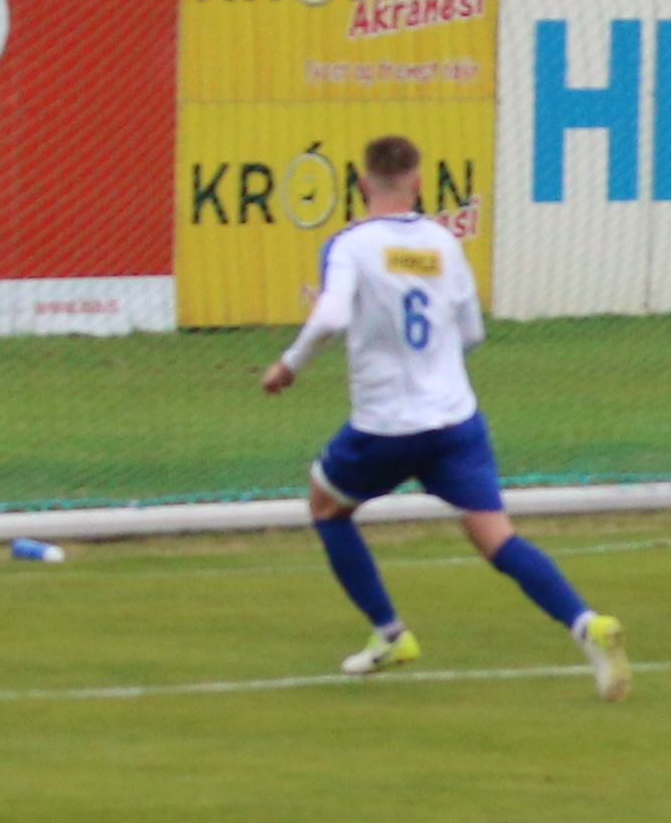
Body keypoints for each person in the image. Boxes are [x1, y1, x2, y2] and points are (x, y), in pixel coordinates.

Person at [261, 133, 632, 699]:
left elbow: (331, 316)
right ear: (417, 182)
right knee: (497, 539)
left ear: (360, 184)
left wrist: (288, 365)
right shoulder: (443, 242)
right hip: (455, 422)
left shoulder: (350, 244)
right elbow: (472, 333)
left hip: (386, 426)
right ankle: (586, 624)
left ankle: (390, 633)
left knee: (326, 506)